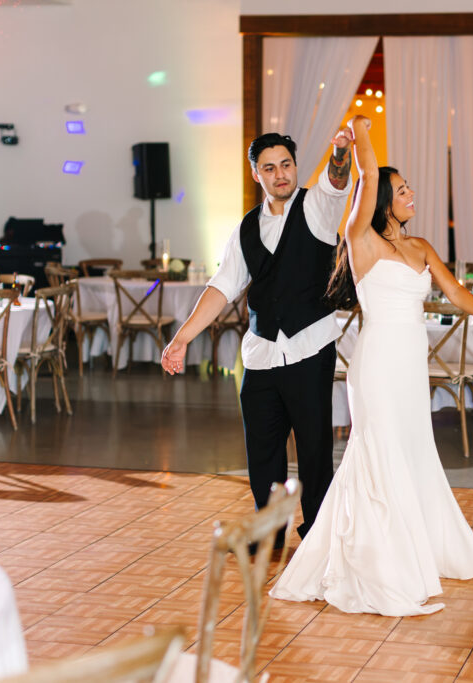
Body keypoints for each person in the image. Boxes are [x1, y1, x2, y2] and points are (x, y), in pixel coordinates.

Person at [270, 115, 473, 616]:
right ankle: (380, 565)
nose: (412, 193)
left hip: (410, 369)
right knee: (380, 451)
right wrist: (361, 131)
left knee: (412, 450)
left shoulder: (420, 247)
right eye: (404, 188)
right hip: (376, 367)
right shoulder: (360, 240)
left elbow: (455, 292)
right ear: (385, 200)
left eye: (411, 187)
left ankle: (419, 550)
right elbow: (367, 176)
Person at [161, 129, 354, 544]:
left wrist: (340, 150)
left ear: (295, 167)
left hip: (310, 348)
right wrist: (182, 338)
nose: (280, 174)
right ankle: (269, 532)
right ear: (256, 174)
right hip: (261, 355)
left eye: (286, 165)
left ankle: (319, 535)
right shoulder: (246, 228)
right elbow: (221, 287)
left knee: (315, 451)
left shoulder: (317, 207)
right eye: (270, 167)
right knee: (263, 454)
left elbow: (338, 179)